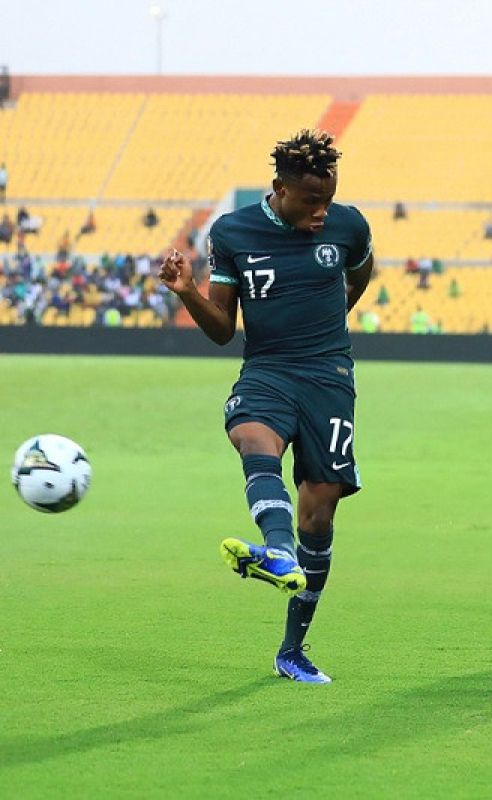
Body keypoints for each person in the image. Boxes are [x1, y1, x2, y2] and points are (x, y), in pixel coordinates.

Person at [158, 129, 374, 684]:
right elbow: (222, 330)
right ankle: (277, 552)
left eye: (328, 199)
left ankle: (292, 650)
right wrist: (187, 293)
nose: (322, 212)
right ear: (279, 188)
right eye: (310, 202)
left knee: (320, 512)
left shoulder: (350, 226)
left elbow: (359, 276)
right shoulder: (233, 232)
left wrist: (329, 315)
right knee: (253, 438)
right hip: (268, 371)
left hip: (329, 377)